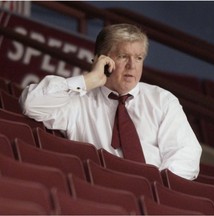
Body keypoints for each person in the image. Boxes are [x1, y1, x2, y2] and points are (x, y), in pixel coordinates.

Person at [20, 23, 202, 180]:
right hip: (100, 193)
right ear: (102, 60)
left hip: (155, 194)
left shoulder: (162, 100)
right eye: (123, 56)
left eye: (138, 58)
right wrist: (87, 80)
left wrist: (155, 187)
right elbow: (32, 104)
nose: (132, 65)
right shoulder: (79, 101)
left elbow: (187, 153)